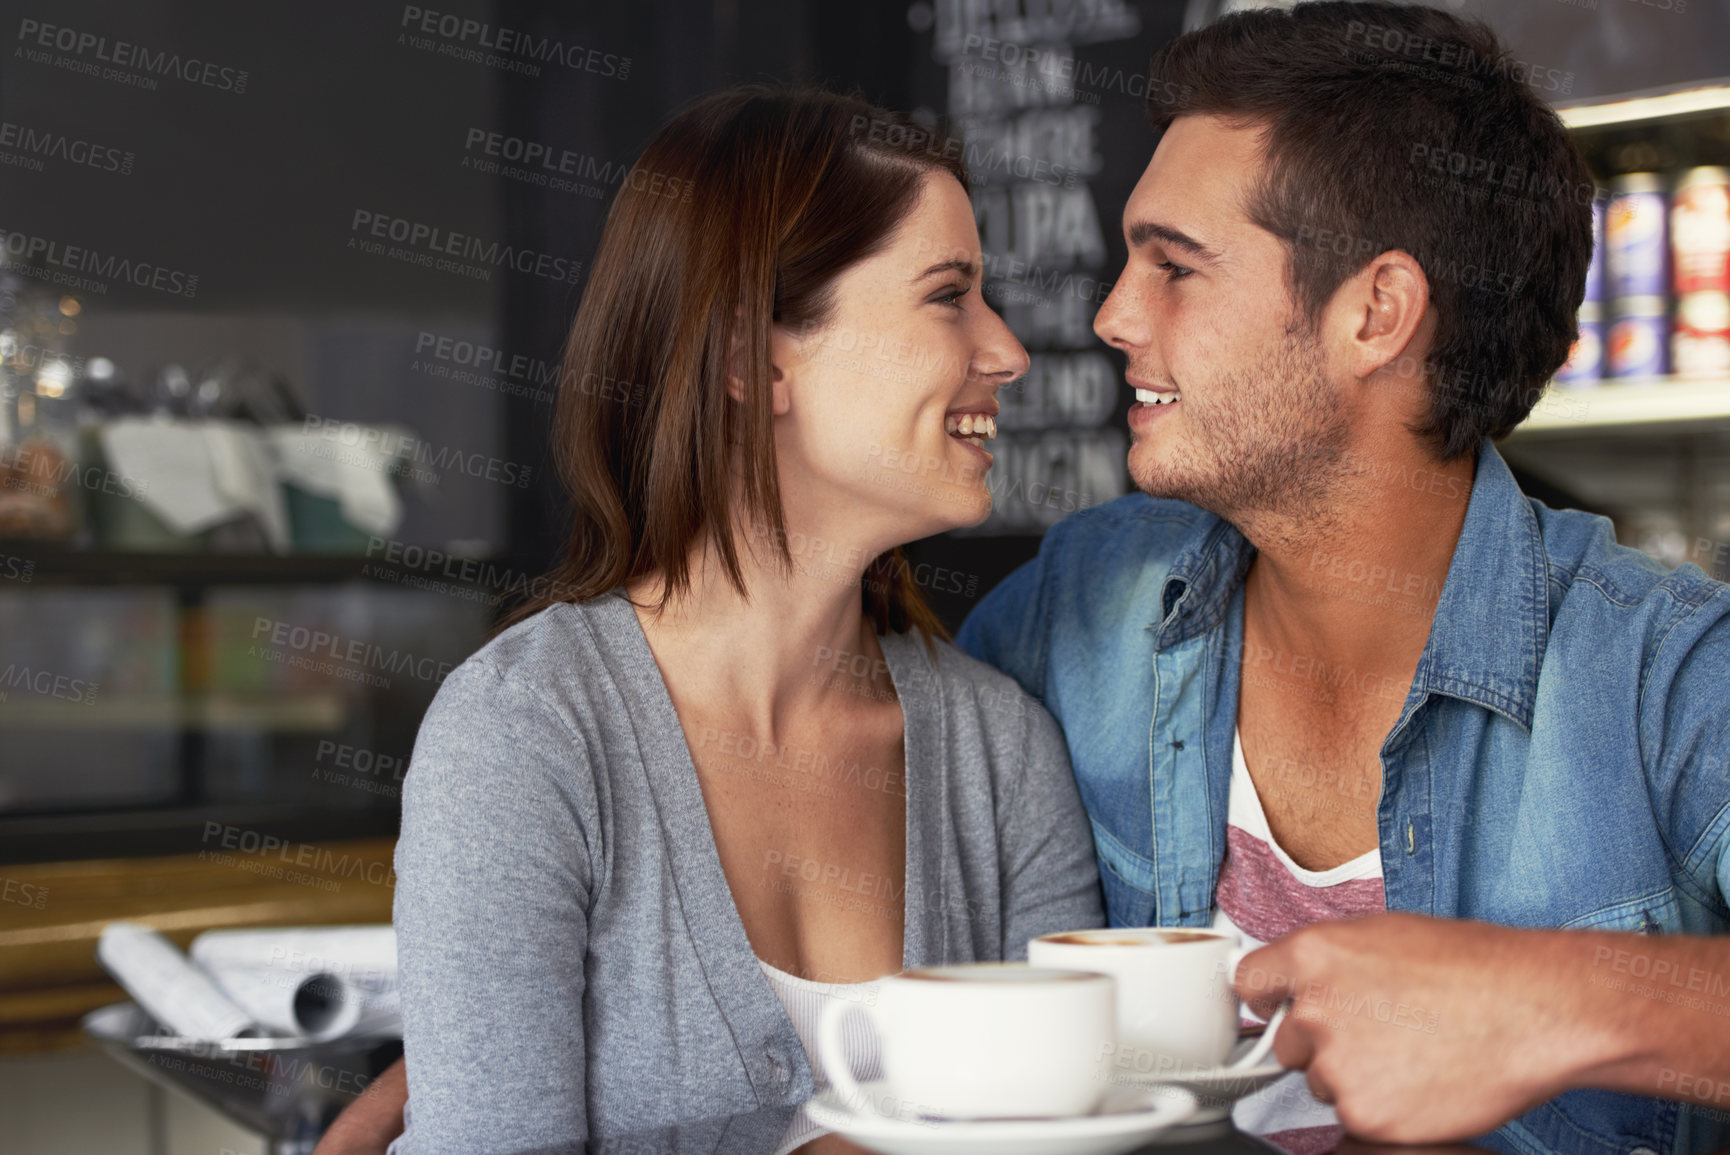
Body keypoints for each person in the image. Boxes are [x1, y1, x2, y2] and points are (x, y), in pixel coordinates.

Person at [955, 4, 1730, 1155]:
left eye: (1174, 267)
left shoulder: (1663, 670)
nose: (1110, 316)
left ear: (1374, 313)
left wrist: (1553, 998)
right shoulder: (1077, 603)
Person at [359, 86, 1103, 1155]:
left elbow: (1077, 1131)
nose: (1006, 351)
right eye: (948, 296)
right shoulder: (525, 736)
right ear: (754, 360)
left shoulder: (999, 752)